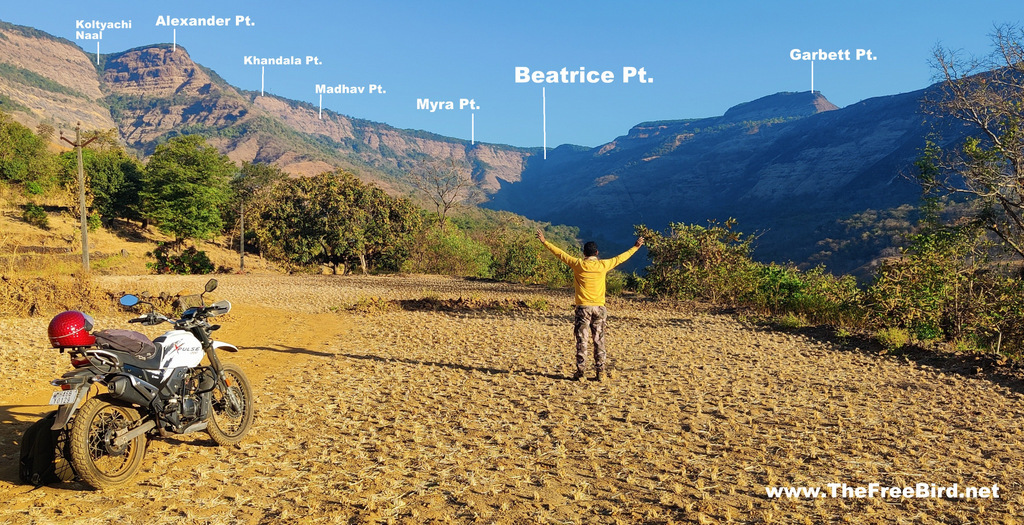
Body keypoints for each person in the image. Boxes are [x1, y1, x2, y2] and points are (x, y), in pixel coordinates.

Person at [536, 229, 644, 381]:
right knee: (599, 340)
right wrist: (636, 247)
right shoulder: (603, 265)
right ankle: (601, 372)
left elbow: (560, 254)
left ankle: (581, 372)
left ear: (584, 253)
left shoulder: (578, 264)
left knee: (582, 340)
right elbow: (621, 258)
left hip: (583, 308)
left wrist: (544, 241)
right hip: (599, 308)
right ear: (597, 253)